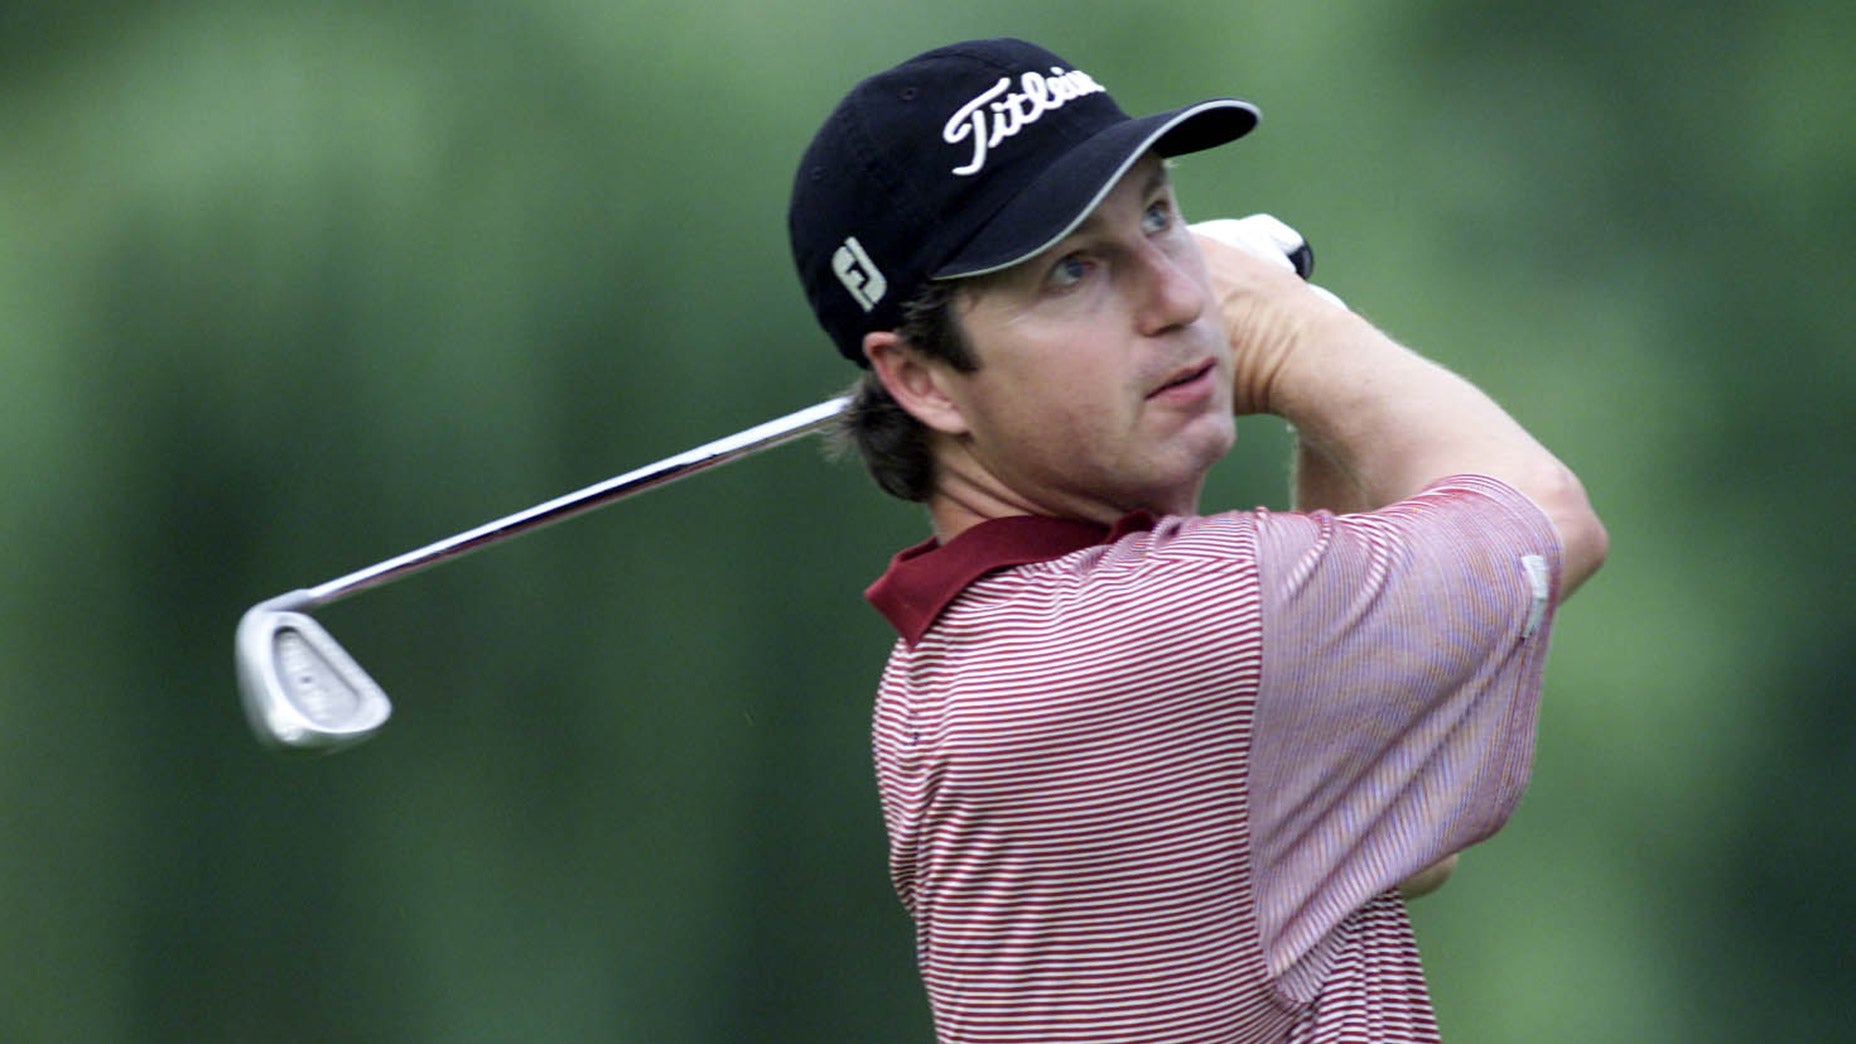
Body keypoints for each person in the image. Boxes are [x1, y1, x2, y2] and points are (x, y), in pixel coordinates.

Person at [787, 38, 1607, 1043]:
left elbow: (1394, 845)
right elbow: (1542, 516)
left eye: (1159, 217)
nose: (1177, 299)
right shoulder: (1157, 636)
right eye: (1072, 271)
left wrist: (1306, 365)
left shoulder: (965, 660)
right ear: (920, 380)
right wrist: (1295, 334)